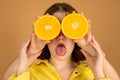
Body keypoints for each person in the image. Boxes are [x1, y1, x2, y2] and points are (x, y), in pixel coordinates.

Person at [4, 3, 120, 80]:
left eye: (66, 29)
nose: (60, 36)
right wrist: (27, 57)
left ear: (76, 37)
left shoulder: (91, 72)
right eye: (55, 28)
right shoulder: (30, 73)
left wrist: (93, 52)